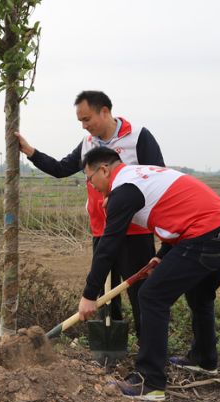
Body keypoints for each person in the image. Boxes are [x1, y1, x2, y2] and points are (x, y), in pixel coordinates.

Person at [79, 146, 220, 401]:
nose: (92, 185)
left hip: (207, 237)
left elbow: (108, 245)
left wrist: (90, 294)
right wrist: (161, 255)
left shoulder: (125, 189)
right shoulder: (142, 176)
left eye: (90, 179)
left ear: (104, 169)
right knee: (200, 296)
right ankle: (204, 358)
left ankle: (150, 381)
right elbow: (181, 213)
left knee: (151, 296)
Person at [17, 90, 164, 337]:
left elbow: (157, 178)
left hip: (135, 230)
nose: (85, 127)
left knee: (140, 293)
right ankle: (112, 346)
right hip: (102, 230)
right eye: (81, 122)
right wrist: (31, 152)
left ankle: (148, 351)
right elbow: (61, 168)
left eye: (87, 119)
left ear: (104, 111)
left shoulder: (138, 137)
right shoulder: (88, 144)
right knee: (106, 297)